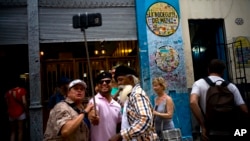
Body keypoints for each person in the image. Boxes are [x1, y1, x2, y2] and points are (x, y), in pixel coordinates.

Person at [190, 59, 248, 141]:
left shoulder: (199, 84)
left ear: (208, 69)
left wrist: (202, 125)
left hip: (209, 130)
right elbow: (244, 110)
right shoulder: (231, 86)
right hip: (229, 129)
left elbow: (193, 102)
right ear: (223, 71)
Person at [109, 65, 156, 141]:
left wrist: (121, 135)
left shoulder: (137, 94)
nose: (119, 83)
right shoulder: (130, 95)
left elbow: (145, 120)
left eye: (121, 80)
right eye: (118, 81)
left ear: (130, 79)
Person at [88, 72, 122, 141]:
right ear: (97, 85)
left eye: (107, 81)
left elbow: (119, 124)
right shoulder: (94, 100)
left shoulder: (117, 105)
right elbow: (93, 111)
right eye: (101, 82)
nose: (104, 83)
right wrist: (93, 117)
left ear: (112, 84)